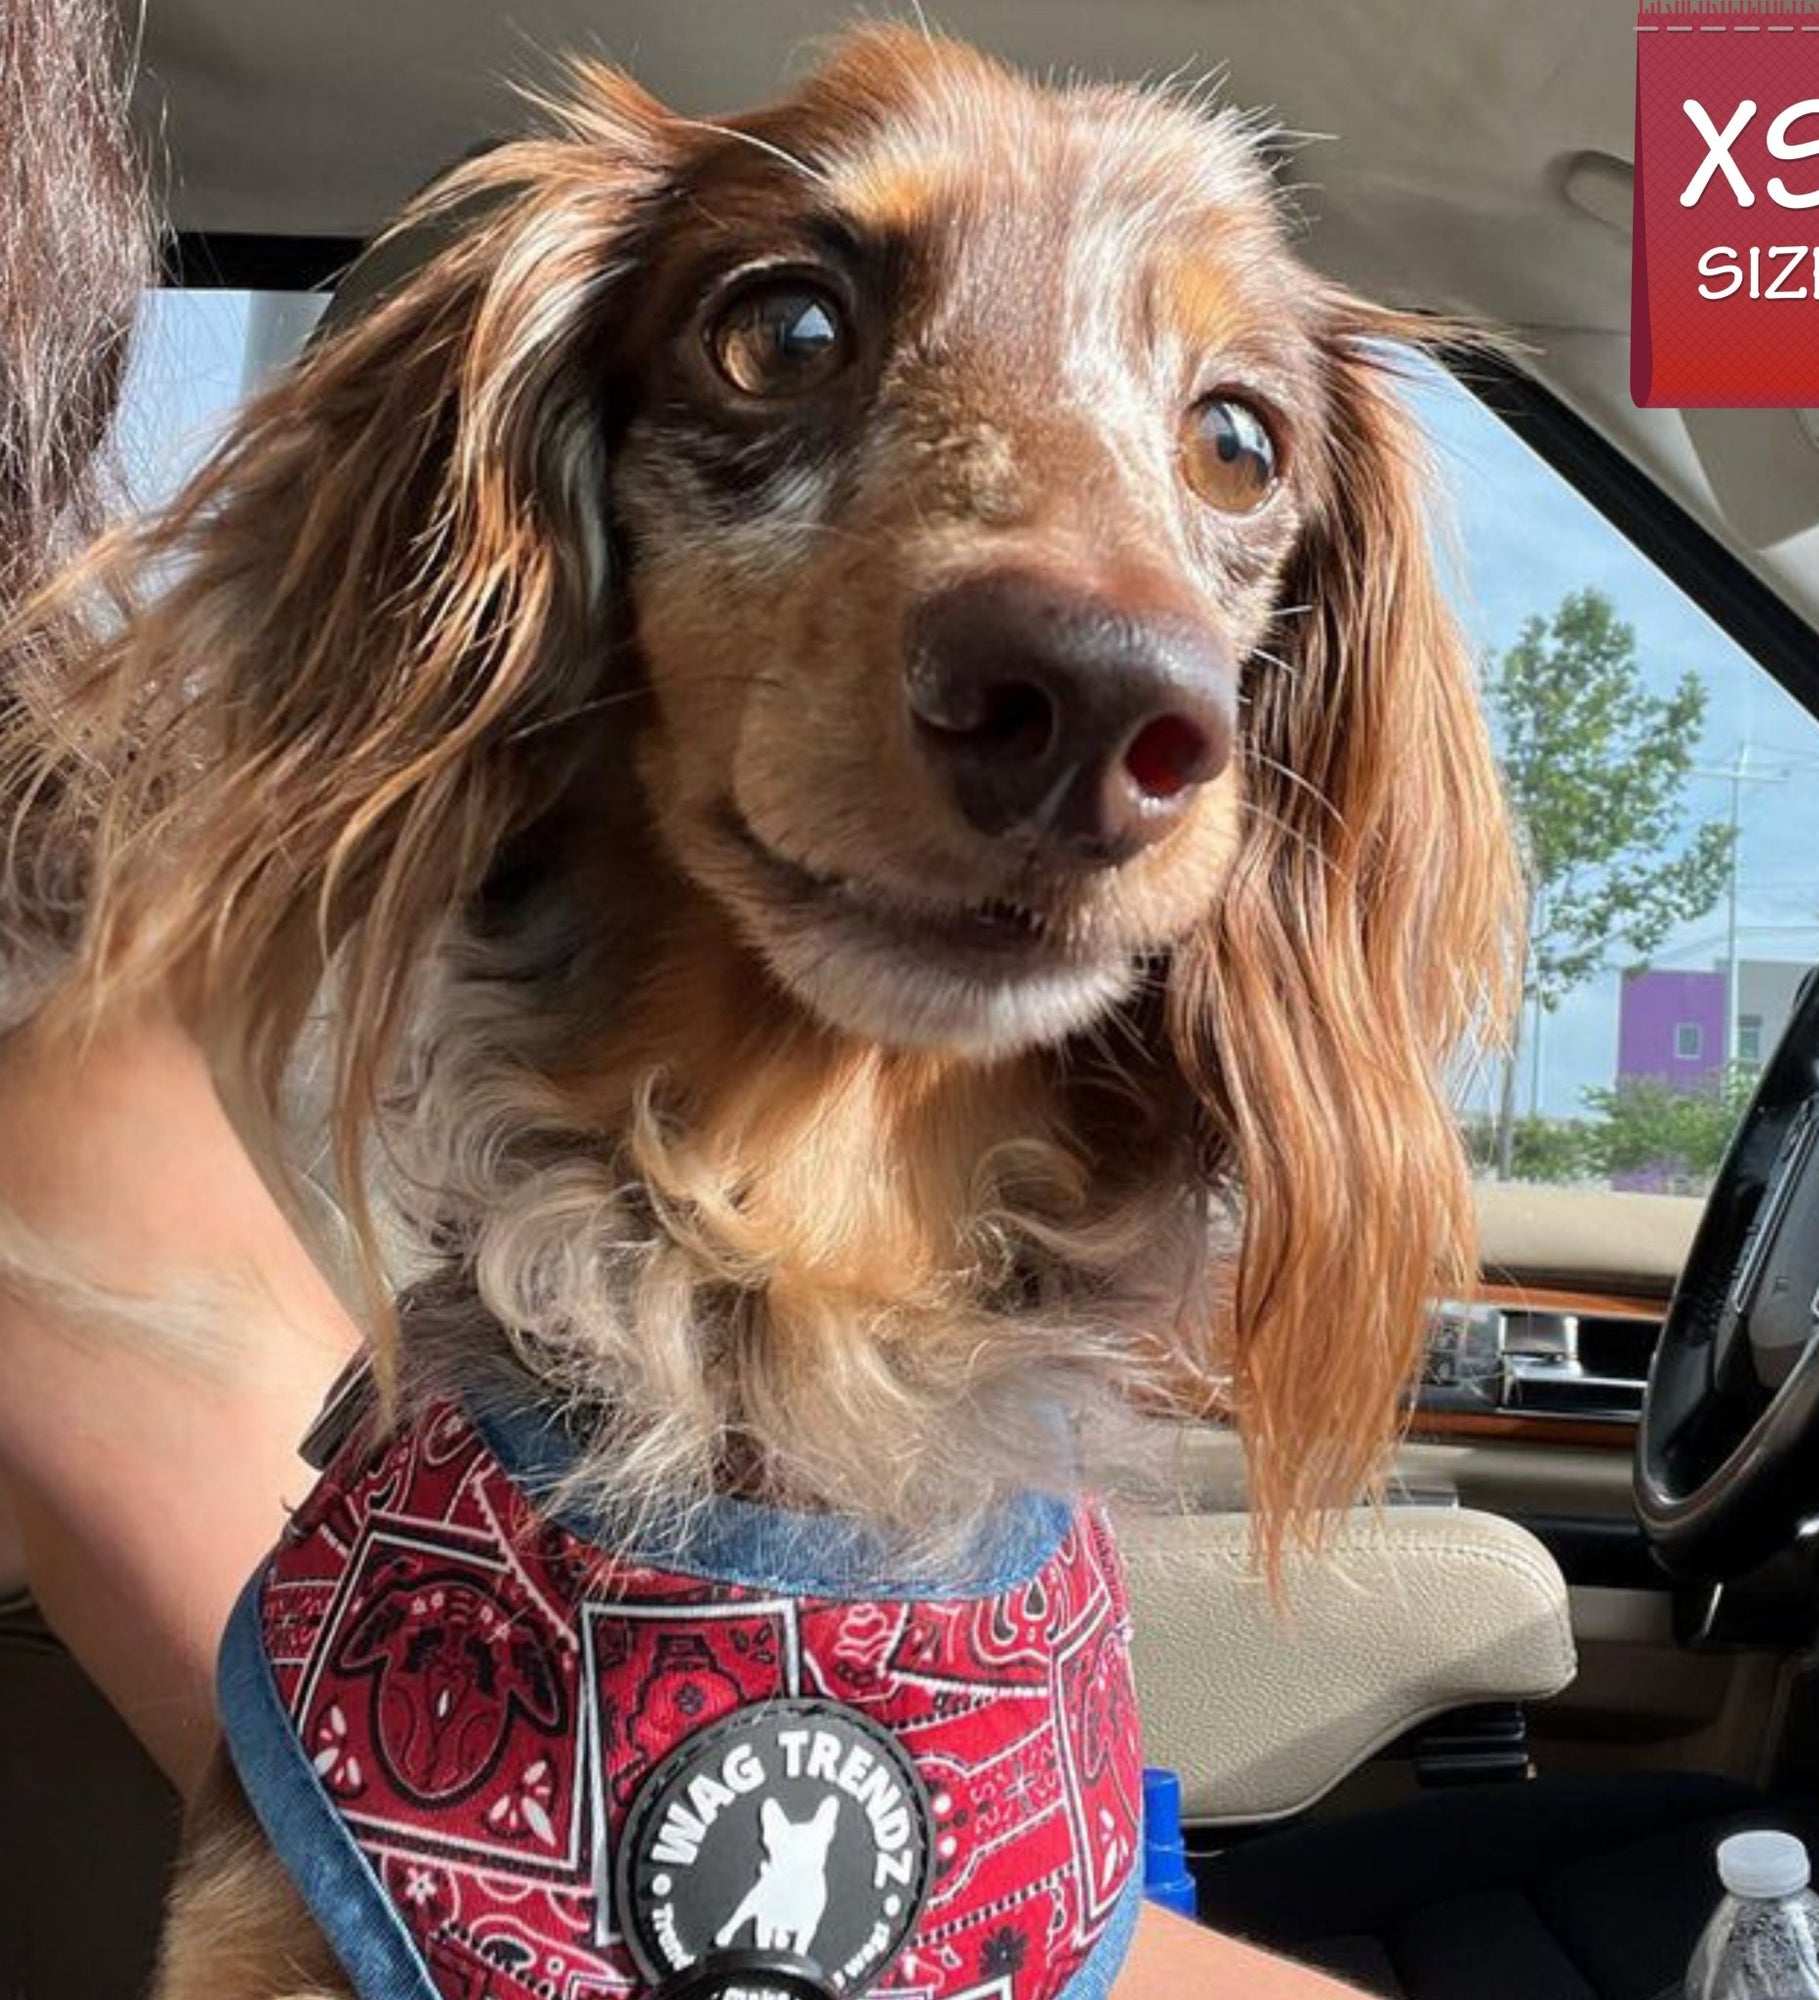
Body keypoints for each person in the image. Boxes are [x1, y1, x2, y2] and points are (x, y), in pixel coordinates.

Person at [0, 5, 1368, 1996]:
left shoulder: (1028, 1713)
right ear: (552, 522)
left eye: (1228, 439)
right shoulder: (367, 1626)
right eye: (784, 338)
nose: (1095, 630)